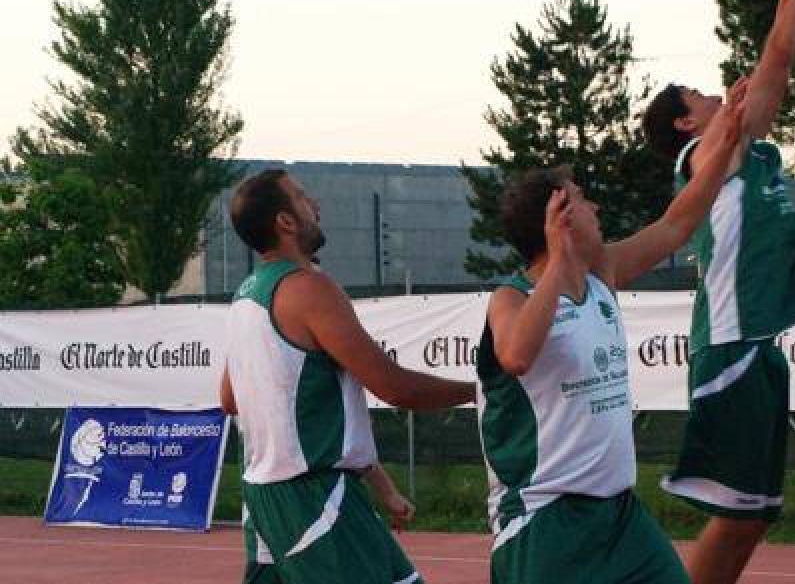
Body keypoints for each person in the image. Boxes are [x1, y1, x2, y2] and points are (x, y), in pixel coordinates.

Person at [638, 0, 795, 584]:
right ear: (684, 123)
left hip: (766, 336)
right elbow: (778, 65)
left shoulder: (752, 153)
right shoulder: (704, 155)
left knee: (754, 514)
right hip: (732, 343)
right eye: (697, 96)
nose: (710, 94)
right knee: (736, 515)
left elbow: (790, 70)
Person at [478, 86, 748, 584]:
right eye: (582, 199)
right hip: (546, 521)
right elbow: (516, 355)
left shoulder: (602, 275)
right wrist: (558, 260)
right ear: (558, 220)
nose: (596, 206)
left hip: (618, 515)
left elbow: (676, 224)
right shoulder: (510, 298)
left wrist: (726, 141)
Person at [220, 169, 476, 584]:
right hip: (313, 496)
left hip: (267, 496)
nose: (315, 205)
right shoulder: (309, 288)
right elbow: (393, 386)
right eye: (303, 198)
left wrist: (378, 481)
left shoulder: (244, 296)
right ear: (285, 221)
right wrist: (482, 390)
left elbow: (230, 399)